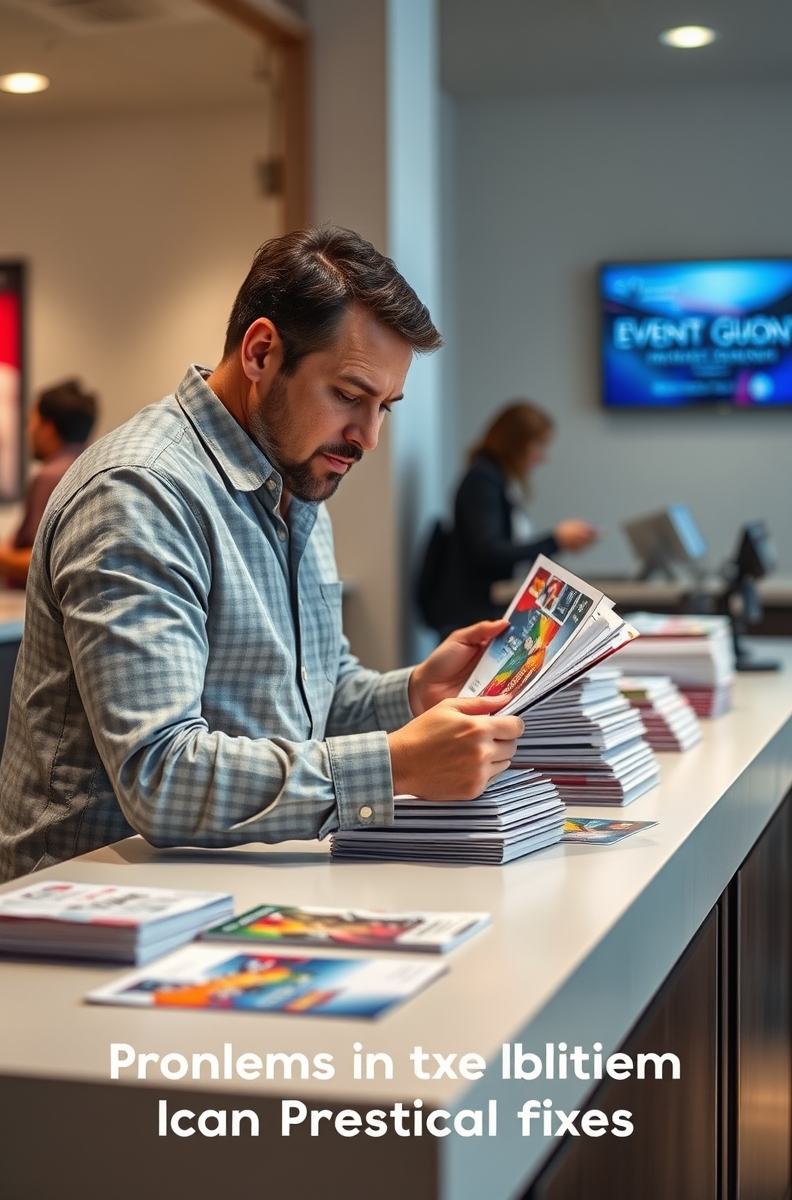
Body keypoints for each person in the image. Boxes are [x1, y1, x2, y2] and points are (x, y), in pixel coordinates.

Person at [0, 226, 524, 883]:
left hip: (234, 884)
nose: (368, 437)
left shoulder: (296, 485)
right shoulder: (140, 491)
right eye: (349, 396)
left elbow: (313, 705)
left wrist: (417, 692)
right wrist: (396, 765)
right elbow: (160, 775)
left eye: (385, 406)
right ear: (261, 352)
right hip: (87, 908)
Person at [435, 401, 598, 632]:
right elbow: (490, 552)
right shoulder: (483, 480)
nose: (543, 457)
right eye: (540, 445)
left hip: (485, 612)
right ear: (516, 442)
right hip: (474, 617)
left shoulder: (497, 480)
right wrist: (556, 540)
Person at [0, 379, 98, 586]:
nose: (28, 432)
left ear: (48, 428)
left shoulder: (49, 477)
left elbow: (38, 562)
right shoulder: (93, 470)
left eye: (31, 422)